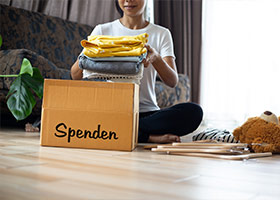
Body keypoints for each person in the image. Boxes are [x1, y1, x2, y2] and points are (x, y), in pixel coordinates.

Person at [71, 0, 203, 143]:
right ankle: (146, 136)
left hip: (148, 114)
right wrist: (93, 52)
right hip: (115, 111)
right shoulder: (103, 31)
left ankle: (122, 130)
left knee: (194, 112)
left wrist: (156, 58)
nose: (128, 0)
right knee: (93, 115)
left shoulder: (161, 33)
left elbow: (172, 81)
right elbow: (75, 74)